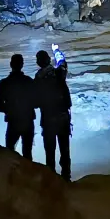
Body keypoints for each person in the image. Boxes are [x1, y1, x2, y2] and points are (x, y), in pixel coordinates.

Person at [35, 49, 72, 181]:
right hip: (62, 117)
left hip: (48, 119)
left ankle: (52, 180)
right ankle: (66, 178)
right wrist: (57, 51)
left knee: (50, 152)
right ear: (49, 60)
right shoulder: (59, 73)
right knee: (64, 150)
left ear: (38, 63)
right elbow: (63, 63)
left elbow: (35, 101)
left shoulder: (38, 78)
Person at [0, 53, 37, 161]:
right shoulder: (28, 81)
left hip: (13, 121)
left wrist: (9, 110)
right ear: (22, 64)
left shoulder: (5, 83)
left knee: (9, 152)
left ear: (11, 64)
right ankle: (28, 175)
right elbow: (37, 101)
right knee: (27, 152)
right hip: (27, 120)